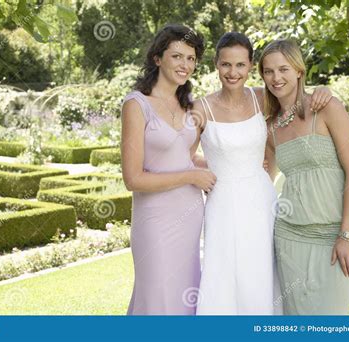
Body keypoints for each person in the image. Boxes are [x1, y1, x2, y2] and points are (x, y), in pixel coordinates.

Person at [193, 32, 332, 315]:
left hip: (262, 199)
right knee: (225, 274)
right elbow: (180, 156)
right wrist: (203, 174)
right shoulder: (200, 108)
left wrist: (324, 90)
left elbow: (295, 104)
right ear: (216, 65)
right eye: (226, 65)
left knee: (263, 271)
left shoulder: (262, 99)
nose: (233, 72)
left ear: (250, 65)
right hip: (222, 205)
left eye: (240, 65)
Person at [121, 24, 216, 315]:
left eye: (190, 58)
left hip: (189, 216)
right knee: (157, 296)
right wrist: (191, 177)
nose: (185, 64)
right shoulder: (137, 105)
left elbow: (184, 158)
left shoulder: (189, 107)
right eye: (177, 56)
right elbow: (133, 178)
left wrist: (227, 167)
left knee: (185, 296)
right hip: (155, 220)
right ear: (157, 58)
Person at [261, 39, 349, 315]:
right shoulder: (270, 128)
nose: (276, 77)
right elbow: (262, 178)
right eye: (268, 71)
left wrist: (346, 233)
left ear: (299, 71)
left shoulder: (327, 108)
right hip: (289, 238)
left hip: (334, 237)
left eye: (283, 69)